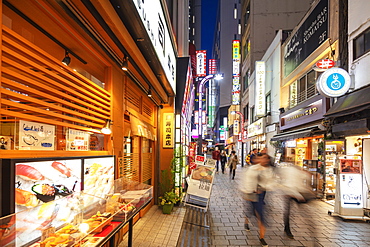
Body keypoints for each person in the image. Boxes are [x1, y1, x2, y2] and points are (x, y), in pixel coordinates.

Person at [240, 153, 274, 247]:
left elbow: (270, 183)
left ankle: (262, 237)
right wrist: (246, 191)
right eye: (261, 158)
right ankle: (246, 222)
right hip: (250, 193)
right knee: (249, 211)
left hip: (260, 195)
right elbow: (246, 180)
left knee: (260, 215)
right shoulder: (252, 169)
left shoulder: (268, 170)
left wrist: (264, 187)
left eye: (264, 158)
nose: (262, 160)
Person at [279, 165, 316, 239]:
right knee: (289, 212)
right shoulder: (291, 171)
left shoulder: (296, 171)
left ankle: (287, 228)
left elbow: (304, 181)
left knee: (289, 212)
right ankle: (287, 228)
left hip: (295, 193)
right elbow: (289, 184)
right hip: (290, 193)